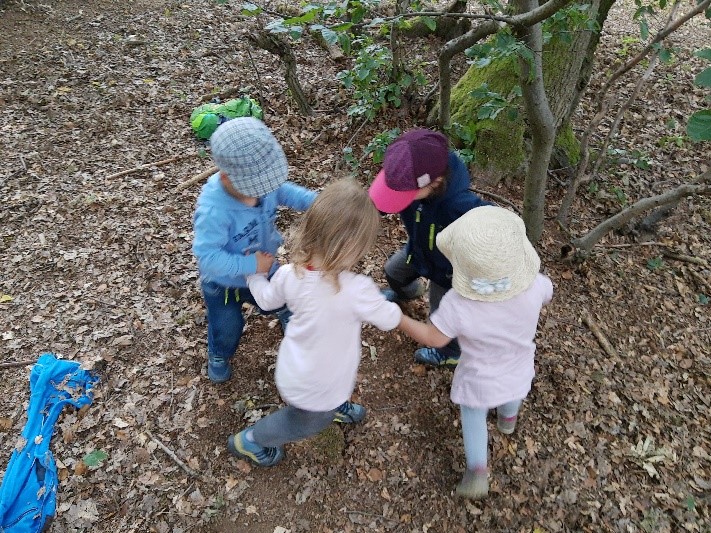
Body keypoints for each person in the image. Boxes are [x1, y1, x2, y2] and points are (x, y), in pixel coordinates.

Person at [227, 179, 403, 467]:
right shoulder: (357, 288)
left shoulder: (288, 274)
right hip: (313, 389)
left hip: (301, 369)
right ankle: (250, 441)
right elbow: (387, 319)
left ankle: (334, 405)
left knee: (320, 399)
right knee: (305, 423)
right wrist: (398, 315)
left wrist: (254, 275)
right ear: (350, 248)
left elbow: (267, 301)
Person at [398, 206, 553, 500]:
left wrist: (401, 320)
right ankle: (508, 421)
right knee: (512, 398)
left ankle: (478, 470)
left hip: (478, 379)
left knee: (473, 417)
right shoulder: (535, 286)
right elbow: (548, 293)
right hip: (519, 370)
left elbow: (434, 338)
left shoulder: (458, 304)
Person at [192, 117, 317, 383]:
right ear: (226, 176)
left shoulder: (263, 185)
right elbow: (208, 257)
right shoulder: (214, 210)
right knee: (227, 327)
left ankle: (282, 311)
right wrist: (250, 267)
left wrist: (317, 203)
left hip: (264, 268)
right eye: (254, 190)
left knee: (276, 299)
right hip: (224, 284)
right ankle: (219, 353)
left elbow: (285, 192)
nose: (261, 194)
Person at [368, 128, 492, 368]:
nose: (398, 197)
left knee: (441, 317)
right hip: (417, 251)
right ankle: (408, 293)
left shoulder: (459, 206)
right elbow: (383, 202)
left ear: (434, 182)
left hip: (446, 273)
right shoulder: (410, 177)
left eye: (403, 194)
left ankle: (451, 352)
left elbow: (493, 226)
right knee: (393, 272)